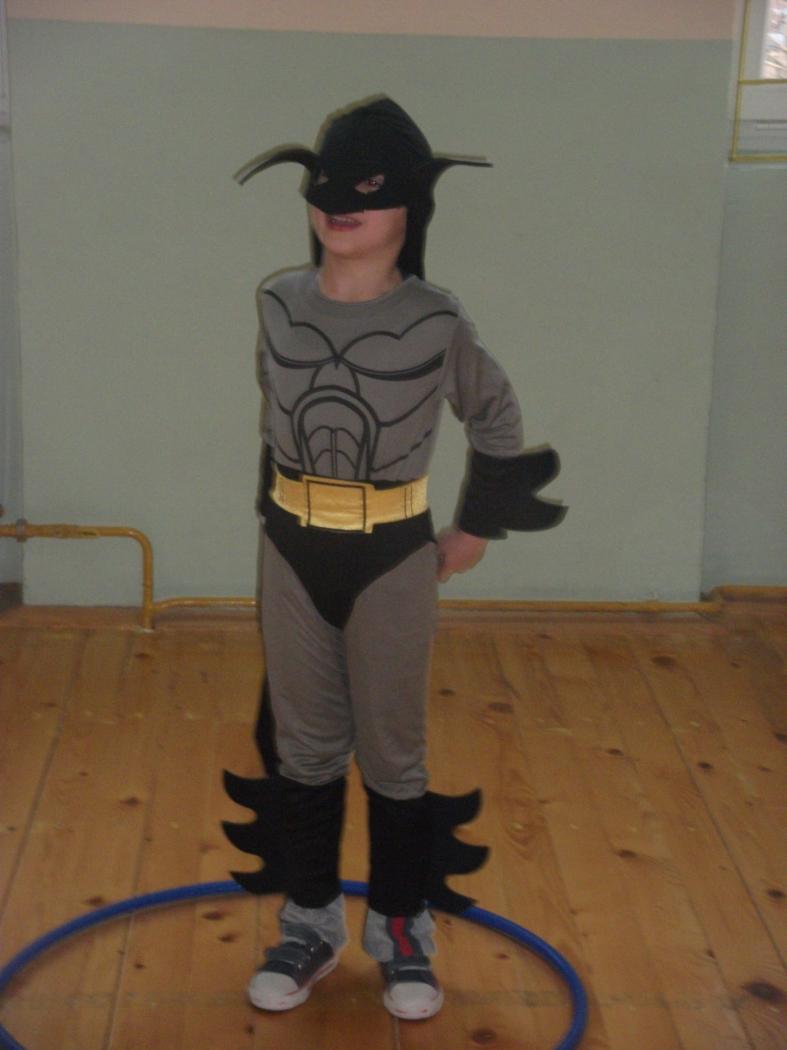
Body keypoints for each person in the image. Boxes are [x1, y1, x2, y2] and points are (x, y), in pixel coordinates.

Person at [222, 96, 564, 1022]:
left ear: (410, 206)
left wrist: (473, 529)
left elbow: (494, 415)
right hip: (291, 551)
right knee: (303, 749)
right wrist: (275, 524)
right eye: (326, 185)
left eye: (367, 189)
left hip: (391, 558)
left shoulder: (435, 320)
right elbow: (278, 420)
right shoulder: (277, 301)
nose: (341, 205)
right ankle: (308, 924)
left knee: (392, 753)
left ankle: (402, 932)